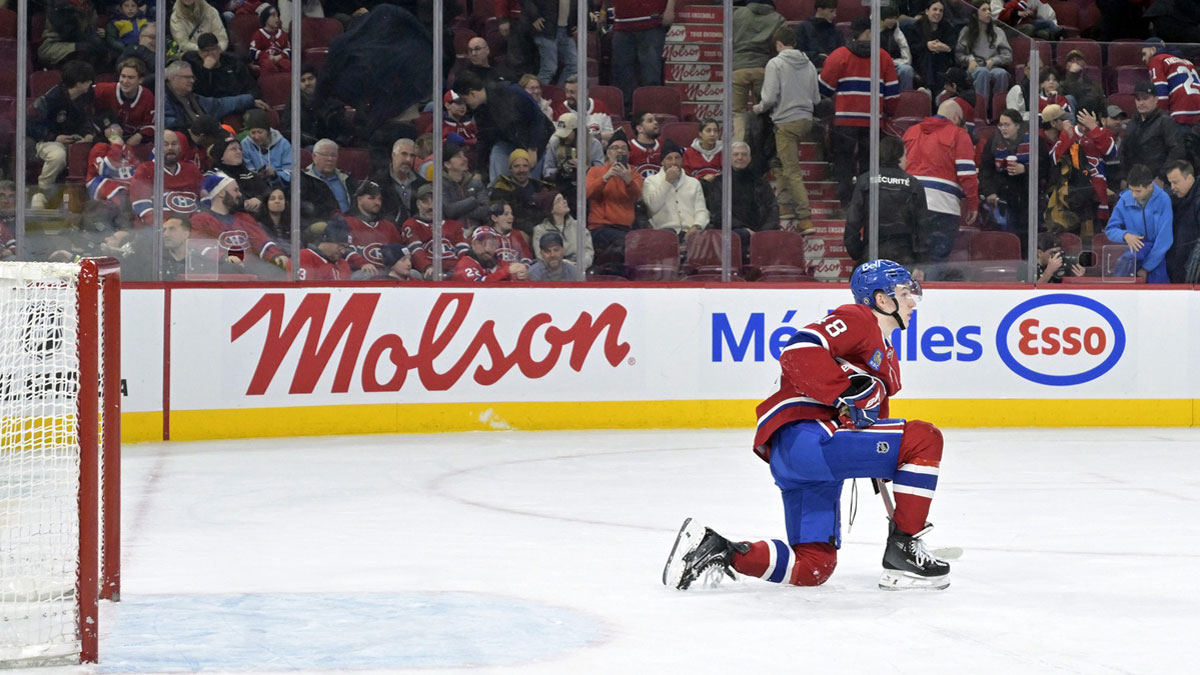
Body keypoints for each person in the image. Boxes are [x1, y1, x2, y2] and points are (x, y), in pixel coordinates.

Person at [663, 260, 950, 592]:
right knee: (924, 438)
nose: (913, 302)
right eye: (904, 293)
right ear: (882, 300)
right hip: (810, 438)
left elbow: (866, 413)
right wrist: (842, 392)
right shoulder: (858, 319)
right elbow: (798, 350)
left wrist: (879, 458)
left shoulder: (884, 350)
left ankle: (717, 549)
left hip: (801, 460)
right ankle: (904, 548)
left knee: (814, 566)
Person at [821, 17, 901, 205]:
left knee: (843, 160)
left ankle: (845, 201)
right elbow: (892, 95)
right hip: (872, 121)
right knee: (869, 163)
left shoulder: (839, 55)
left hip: (844, 121)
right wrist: (887, 112)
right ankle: (866, 203)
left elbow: (824, 88)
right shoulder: (884, 57)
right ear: (867, 33)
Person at [902, 100, 979, 272]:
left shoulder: (911, 131)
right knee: (935, 261)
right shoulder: (959, 134)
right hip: (942, 207)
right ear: (957, 117)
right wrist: (973, 204)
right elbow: (967, 174)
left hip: (909, 204)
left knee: (910, 260)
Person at [754, 24, 818, 229]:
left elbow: (770, 97)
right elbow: (816, 98)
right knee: (778, 161)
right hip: (806, 119)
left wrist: (758, 108)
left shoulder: (775, 63)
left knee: (792, 171)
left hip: (786, 121)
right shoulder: (809, 64)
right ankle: (784, 205)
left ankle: (805, 218)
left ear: (778, 44)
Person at [454, 71, 554, 185]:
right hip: (509, 140)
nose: (465, 105)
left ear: (472, 94)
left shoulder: (512, 91)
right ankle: (497, 191)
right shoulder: (480, 108)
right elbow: (483, 138)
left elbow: (538, 118)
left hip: (536, 140)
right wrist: (479, 171)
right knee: (498, 152)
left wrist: (533, 149)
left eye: (465, 100)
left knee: (528, 182)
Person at [844, 136, 926, 266]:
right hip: (904, 256)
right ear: (899, 157)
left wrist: (858, 253)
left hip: (871, 253)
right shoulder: (913, 184)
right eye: (905, 155)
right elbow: (923, 227)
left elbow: (853, 221)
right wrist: (920, 262)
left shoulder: (865, 181)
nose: (907, 159)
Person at [191, 172, 290, 277]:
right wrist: (224, 257)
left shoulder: (244, 218)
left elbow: (262, 242)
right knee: (229, 268)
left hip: (252, 270)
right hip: (221, 274)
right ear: (221, 193)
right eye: (235, 190)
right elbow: (200, 245)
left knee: (276, 271)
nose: (240, 194)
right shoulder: (201, 220)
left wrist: (276, 255)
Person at [29, 60, 98, 209]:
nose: (90, 83)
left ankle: (84, 199)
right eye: (87, 81)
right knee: (57, 156)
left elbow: (88, 118)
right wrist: (53, 137)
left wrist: (88, 134)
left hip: (74, 139)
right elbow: (30, 125)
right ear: (78, 83)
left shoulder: (87, 95)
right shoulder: (49, 99)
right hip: (47, 141)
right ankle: (43, 192)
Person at [980, 109, 1048, 251]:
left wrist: (1026, 169)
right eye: (1001, 125)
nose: (1003, 128)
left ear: (1017, 125)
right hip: (1004, 198)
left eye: (1007, 124)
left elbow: (1047, 168)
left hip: (1029, 199)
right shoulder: (993, 143)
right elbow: (986, 170)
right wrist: (989, 192)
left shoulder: (1035, 142)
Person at [702, 142, 780, 260]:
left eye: (744, 154)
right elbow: (718, 213)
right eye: (736, 154)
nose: (740, 157)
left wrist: (761, 233)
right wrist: (743, 229)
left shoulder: (761, 183)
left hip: (759, 231)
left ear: (749, 158)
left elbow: (772, 209)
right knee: (740, 235)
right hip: (731, 233)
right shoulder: (719, 183)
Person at [586, 128, 644, 272]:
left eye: (624, 148)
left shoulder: (634, 173)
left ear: (629, 154)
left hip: (625, 228)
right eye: (615, 148)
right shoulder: (596, 171)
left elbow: (636, 197)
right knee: (625, 243)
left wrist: (628, 180)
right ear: (608, 152)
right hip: (601, 228)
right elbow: (588, 193)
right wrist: (606, 177)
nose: (620, 151)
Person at [1105, 164, 1173, 283]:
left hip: (1157, 259)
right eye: (1131, 190)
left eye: (1138, 191)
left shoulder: (1163, 199)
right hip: (1132, 259)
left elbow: (1164, 239)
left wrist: (1146, 268)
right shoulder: (1124, 200)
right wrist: (1125, 235)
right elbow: (1110, 230)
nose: (1134, 195)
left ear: (1150, 187)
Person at [607, 0, 675, 116]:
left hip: (651, 21)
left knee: (650, 73)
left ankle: (651, 114)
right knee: (622, 74)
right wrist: (604, 11)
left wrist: (670, 9)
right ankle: (627, 114)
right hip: (622, 23)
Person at [731, 0, 786, 142]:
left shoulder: (737, 14)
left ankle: (739, 148)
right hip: (764, 69)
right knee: (763, 112)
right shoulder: (778, 18)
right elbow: (782, 48)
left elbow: (726, 40)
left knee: (738, 113)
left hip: (738, 67)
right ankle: (758, 149)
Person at [162, 60, 266, 132]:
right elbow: (172, 125)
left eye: (192, 77)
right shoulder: (163, 101)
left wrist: (250, 100)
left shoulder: (196, 99)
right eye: (187, 77)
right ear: (174, 78)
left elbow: (221, 104)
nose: (192, 81)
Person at [130, 130, 205, 224]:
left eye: (174, 144)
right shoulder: (145, 169)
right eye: (165, 144)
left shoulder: (192, 169)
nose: (170, 148)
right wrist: (166, 228)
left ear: (180, 148)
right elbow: (142, 205)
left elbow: (205, 199)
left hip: (192, 227)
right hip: (158, 230)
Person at [1120, 81, 1185, 183]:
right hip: (1135, 181)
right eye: (1138, 99)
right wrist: (1124, 177)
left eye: (1145, 98)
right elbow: (1123, 149)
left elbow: (1177, 151)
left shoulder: (1166, 121)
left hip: (1156, 180)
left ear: (1155, 99)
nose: (1141, 103)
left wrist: (1162, 177)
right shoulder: (1133, 121)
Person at [642, 140, 709, 238]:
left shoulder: (693, 183)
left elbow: (702, 210)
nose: (674, 162)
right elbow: (652, 207)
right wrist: (667, 182)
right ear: (662, 162)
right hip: (664, 233)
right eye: (669, 158)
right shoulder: (651, 181)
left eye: (677, 158)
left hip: (691, 232)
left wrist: (697, 226)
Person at [956, 0, 1011, 120]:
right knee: (982, 72)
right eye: (984, 10)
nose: (988, 13)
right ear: (975, 14)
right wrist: (970, 59)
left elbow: (1007, 55)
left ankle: (999, 115)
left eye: (989, 10)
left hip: (993, 66)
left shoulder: (998, 32)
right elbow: (959, 55)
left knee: (1001, 74)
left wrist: (994, 60)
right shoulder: (966, 31)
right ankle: (981, 113)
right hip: (974, 68)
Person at [402, 183, 468, 279]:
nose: (430, 206)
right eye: (425, 201)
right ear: (418, 204)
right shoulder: (411, 224)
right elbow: (416, 251)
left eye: (434, 201)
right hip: (430, 271)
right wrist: (427, 266)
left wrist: (462, 267)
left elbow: (463, 251)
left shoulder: (455, 225)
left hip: (456, 269)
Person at [343, 180, 403, 273]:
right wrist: (362, 264)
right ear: (359, 200)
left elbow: (401, 253)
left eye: (379, 199)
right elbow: (343, 250)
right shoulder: (346, 222)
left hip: (387, 272)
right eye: (372, 198)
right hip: (359, 272)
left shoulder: (388, 225)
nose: (377, 202)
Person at [492, 148, 553, 237]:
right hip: (516, 233)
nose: (521, 170)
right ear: (510, 168)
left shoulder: (541, 188)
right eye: (516, 166)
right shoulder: (501, 189)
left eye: (525, 166)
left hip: (542, 231)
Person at [93, 59, 155, 146]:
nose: (125, 81)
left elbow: (152, 125)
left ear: (140, 80)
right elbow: (85, 91)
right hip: (104, 141)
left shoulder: (148, 97)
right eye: (123, 76)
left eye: (131, 77)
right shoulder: (105, 90)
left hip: (134, 146)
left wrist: (140, 135)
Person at [183, 32, 259, 100]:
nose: (210, 54)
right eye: (205, 51)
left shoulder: (233, 62)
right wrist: (205, 70)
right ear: (199, 53)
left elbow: (251, 86)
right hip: (217, 108)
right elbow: (200, 95)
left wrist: (251, 100)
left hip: (240, 102)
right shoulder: (195, 68)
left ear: (219, 49)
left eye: (213, 49)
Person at [544, 111, 605, 193]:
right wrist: (560, 170)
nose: (563, 138)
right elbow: (546, 171)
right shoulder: (555, 142)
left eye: (567, 134)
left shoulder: (594, 144)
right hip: (561, 186)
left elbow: (600, 174)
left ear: (577, 131)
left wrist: (585, 169)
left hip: (587, 187)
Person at [1144, 38, 1200, 127]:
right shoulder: (1188, 62)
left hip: (1181, 112)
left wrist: (1158, 118)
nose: (1143, 58)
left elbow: (1161, 92)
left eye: (1144, 54)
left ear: (1153, 50)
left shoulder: (1156, 59)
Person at [86, 123, 143, 208]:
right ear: (105, 132)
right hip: (104, 183)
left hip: (125, 184)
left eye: (117, 126)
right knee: (117, 191)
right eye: (111, 128)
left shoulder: (128, 149)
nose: (115, 129)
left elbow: (135, 169)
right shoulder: (99, 147)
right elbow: (104, 170)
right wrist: (117, 146)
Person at [906, 0, 957, 94]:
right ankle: (928, 89)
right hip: (921, 63)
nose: (938, 13)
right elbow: (912, 48)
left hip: (942, 62)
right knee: (928, 54)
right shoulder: (916, 27)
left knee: (940, 55)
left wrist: (947, 48)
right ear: (927, 11)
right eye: (935, 9)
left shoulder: (947, 27)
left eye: (941, 10)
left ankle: (940, 92)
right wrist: (926, 46)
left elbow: (953, 48)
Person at [373, 138, 428, 226]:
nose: (408, 159)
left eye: (412, 155)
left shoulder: (422, 184)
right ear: (393, 155)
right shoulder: (377, 182)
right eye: (404, 154)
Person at [301, 138, 359, 219]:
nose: (330, 159)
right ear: (314, 157)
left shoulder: (347, 178)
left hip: (352, 224)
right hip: (321, 225)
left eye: (333, 155)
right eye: (325, 155)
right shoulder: (302, 178)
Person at [533, 191, 593, 269]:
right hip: (552, 272)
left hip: (579, 269)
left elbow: (588, 251)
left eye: (563, 199)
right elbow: (541, 256)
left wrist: (579, 265)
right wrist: (563, 264)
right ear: (551, 209)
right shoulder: (540, 230)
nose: (564, 201)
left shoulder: (578, 226)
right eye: (559, 201)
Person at [525, 0, 578, 86]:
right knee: (549, 69)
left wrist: (576, 21)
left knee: (574, 65)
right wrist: (534, 16)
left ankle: (559, 94)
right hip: (546, 29)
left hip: (565, 29)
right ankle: (537, 97)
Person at [1163, 160, 1200, 283]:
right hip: (1176, 271)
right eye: (1170, 183)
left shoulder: (1197, 201)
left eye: (1175, 182)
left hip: (1192, 277)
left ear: (1189, 178)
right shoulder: (1172, 200)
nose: (1172, 187)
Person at [441, 141, 491, 229]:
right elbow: (449, 211)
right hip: (452, 236)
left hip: (477, 234)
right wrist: (473, 201)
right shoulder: (440, 185)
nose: (465, 159)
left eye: (463, 155)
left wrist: (460, 211)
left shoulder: (476, 183)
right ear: (447, 164)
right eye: (459, 156)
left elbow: (486, 210)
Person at [452, 226, 529, 282]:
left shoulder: (503, 264)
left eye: (491, 243)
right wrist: (505, 272)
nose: (486, 248)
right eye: (481, 243)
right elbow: (477, 286)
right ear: (473, 245)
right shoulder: (465, 263)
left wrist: (521, 277)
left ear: (497, 246)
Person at [240, 108, 293, 188]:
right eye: (253, 132)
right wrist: (257, 175)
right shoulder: (245, 144)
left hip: (282, 188)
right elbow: (248, 170)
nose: (256, 137)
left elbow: (290, 173)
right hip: (257, 188)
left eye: (260, 132)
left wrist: (275, 174)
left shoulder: (284, 144)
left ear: (268, 131)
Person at [554, 75, 615, 143]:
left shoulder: (600, 106)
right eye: (567, 91)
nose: (568, 95)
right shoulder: (560, 110)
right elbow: (561, 138)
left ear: (585, 92)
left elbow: (610, 135)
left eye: (572, 92)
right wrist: (598, 136)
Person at [796, 0, 841, 69]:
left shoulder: (836, 30)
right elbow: (798, 53)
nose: (834, 15)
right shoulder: (803, 28)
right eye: (831, 11)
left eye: (835, 11)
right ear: (819, 10)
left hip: (832, 69)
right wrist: (817, 56)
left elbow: (842, 51)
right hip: (810, 69)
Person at [881, 5, 915, 91]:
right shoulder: (871, 31)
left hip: (894, 64)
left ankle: (905, 99)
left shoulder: (896, 29)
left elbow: (905, 51)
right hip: (877, 66)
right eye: (890, 18)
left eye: (895, 18)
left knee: (907, 70)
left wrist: (895, 62)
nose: (893, 21)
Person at [249, 4, 292, 74]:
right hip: (265, 60)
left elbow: (288, 50)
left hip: (280, 58)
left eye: (278, 16)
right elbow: (252, 51)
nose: (277, 18)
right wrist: (267, 56)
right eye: (273, 16)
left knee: (287, 64)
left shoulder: (282, 33)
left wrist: (280, 56)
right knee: (268, 65)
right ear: (265, 19)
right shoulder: (259, 34)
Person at [996, 0, 1063, 40]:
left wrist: (1031, 13)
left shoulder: (1023, 1)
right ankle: (1057, 37)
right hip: (1017, 26)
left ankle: (1057, 36)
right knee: (1045, 26)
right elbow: (1001, 17)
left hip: (1028, 21)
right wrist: (1017, 13)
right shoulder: (1010, 2)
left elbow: (1028, 11)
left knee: (1047, 26)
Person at [628, 111, 664, 179]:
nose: (656, 122)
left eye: (655, 120)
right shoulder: (628, 148)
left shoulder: (664, 146)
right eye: (650, 121)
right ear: (639, 128)